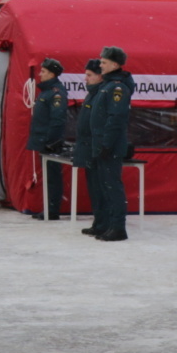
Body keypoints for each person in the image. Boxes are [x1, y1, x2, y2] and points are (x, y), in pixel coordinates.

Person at [87, 47, 136, 241]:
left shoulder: (117, 87)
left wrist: (106, 143)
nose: (100, 65)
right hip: (101, 143)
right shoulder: (107, 85)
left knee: (111, 186)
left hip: (110, 145)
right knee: (103, 185)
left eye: (104, 62)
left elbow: (116, 118)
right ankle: (106, 224)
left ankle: (118, 228)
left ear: (115, 65)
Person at [26, 58, 69, 220]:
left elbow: (57, 120)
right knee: (48, 175)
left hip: (50, 142)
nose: (40, 74)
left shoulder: (56, 93)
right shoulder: (46, 91)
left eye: (43, 71)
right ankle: (49, 208)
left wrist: (51, 142)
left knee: (53, 176)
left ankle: (53, 210)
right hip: (43, 140)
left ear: (51, 74)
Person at [72, 59, 102, 234]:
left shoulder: (101, 94)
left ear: (99, 76)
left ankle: (105, 223)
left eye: (89, 75)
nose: (85, 79)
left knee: (101, 187)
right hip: (88, 147)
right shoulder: (92, 93)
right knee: (94, 187)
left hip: (96, 148)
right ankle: (98, 222)